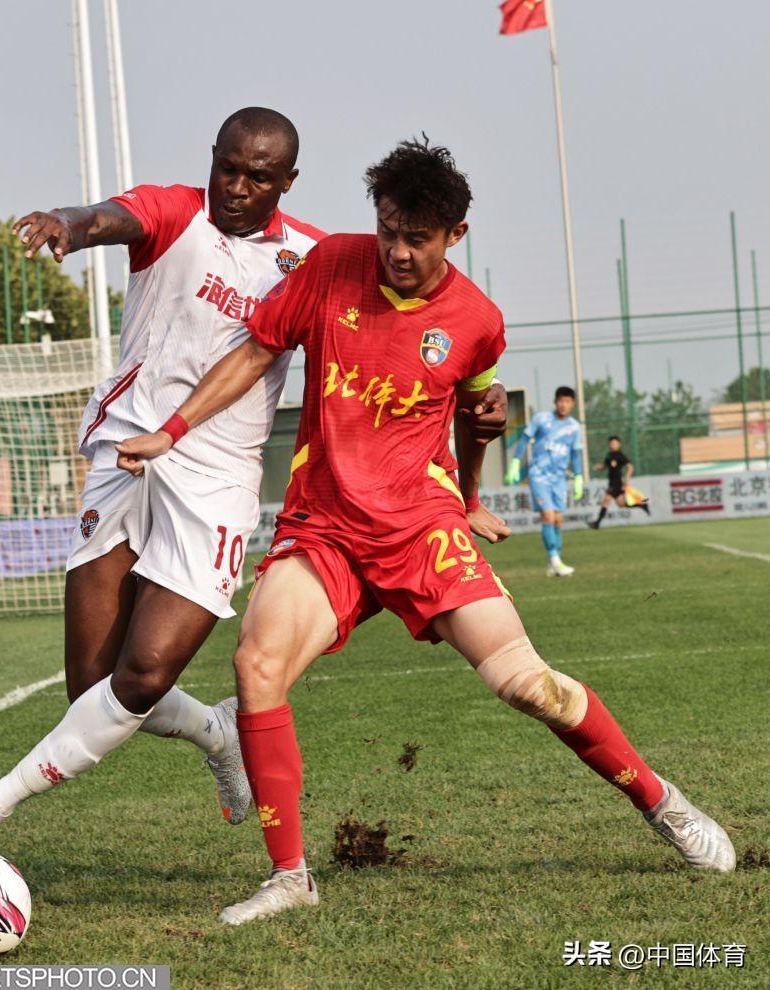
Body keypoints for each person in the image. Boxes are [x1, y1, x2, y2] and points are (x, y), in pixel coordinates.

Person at [116, 138, 735, 925]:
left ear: (454, 235)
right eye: (388, 231)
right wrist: (171, 430)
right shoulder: (331, 266)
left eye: (417, 238)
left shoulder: (477, 320)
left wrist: (469, 496)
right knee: (256, 665)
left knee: (528, 686)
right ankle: (290, 877)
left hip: (420, 527)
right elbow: (256, 350)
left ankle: (663, 803)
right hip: (326, 525)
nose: (398, 252)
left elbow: (480, 412)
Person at [0, 110, 509, 870]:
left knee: (144, 674)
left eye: (257, 177)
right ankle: (216, 732)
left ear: (287, 183)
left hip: (218, 481)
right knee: (91, 686)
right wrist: (68, 223)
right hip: (127, 450)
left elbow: (425, 323)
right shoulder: (176, 213)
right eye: (227, 167)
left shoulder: (312, 257)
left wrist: (479, 402)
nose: (235, 187)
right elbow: (110, 217)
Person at [505, 387, 584, 576]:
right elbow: (524, 440)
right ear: (555, 402)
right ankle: (555, 560)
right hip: (539, 475)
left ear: (572, 404)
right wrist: (515, 462)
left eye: (567, 401)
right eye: (561, 400)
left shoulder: (574, 427)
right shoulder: (541, 419)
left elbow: (576, 454)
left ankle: (553, 563)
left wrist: (579, 477)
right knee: (548, 516)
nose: (563, 404)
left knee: (557, 520)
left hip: (559, 478)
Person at [588, 435, 650, 528]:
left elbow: (630, 467)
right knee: (621, 504)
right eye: (611, 443)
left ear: (619, 444)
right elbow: (605, 465)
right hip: (611, 482)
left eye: (614, 443)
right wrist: (597, 467)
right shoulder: (609, 455)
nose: (612, 445)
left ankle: (597, 523)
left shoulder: (620, 456)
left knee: (606, 500)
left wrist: (626, 479)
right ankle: (642, 505)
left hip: (617, 482)